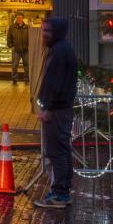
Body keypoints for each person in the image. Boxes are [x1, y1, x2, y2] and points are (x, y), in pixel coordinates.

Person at [34, 16, 78, 208]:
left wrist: (48, 108)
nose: (43, 35)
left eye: (47, 31)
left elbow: (55, 83)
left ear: (56, 32)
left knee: (56, 150)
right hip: (62, 107)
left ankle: (59, 194)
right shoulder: (63, 49)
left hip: (57, 109)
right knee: (63, 149)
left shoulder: (59, 52)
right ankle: (63, 190)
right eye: (42, 30)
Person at [6, 13, 30, 84]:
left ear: (23, 18)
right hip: (16, 50)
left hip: (25, 50)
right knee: (14, 65)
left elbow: (30, 37)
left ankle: (26, 79)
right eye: (18, 18)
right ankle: (14, 79)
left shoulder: (27, 27)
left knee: (27, 65)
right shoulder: (12, 27)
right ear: (16, 18)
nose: (19, 19)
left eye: (20, 18)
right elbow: (8, 37)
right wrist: (11, 46)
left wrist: (29, 46)